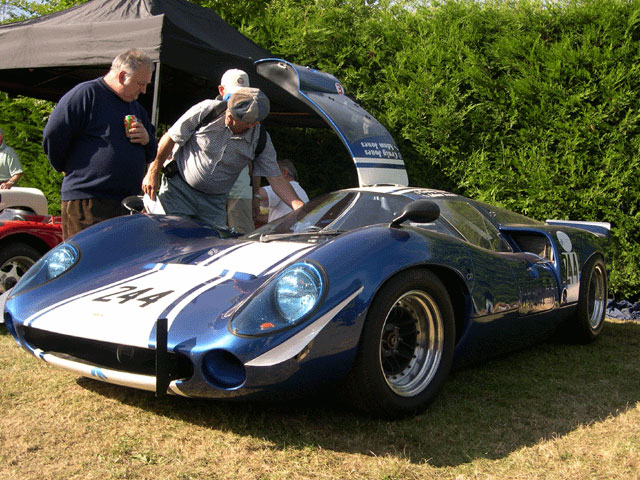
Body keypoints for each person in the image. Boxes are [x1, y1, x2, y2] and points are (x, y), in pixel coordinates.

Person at [142, 87, 304, 228]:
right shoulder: (207, 110)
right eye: (229, 110)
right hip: (179, 191)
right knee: (170, 239)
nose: (228, 117)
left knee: (209, 248)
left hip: (214, 204)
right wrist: (153, 171)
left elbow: (276, 178)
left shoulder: (260, 140)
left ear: (252, 124)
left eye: (235, 119)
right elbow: (171, 137)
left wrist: (299, 206)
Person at [42, 49, 157, 239]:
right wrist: (66, 167)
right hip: (88, 202)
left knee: (121, 266)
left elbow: (152, 152)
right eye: (140, 83)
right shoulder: (87, 94)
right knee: (87, 263)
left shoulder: (137, 109)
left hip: (126, 204)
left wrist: (147, 140)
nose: (144, 90)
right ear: (121, 76)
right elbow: (53, 135)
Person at [218, 69, 259, 234]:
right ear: (221, 91)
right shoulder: (205, 114)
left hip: (240, 192)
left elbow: (255, 161)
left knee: (242, 241)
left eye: (243, 94)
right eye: (233, 94)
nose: (237, 100)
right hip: (210, 194)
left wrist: (256, 196)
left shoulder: (253, 120)